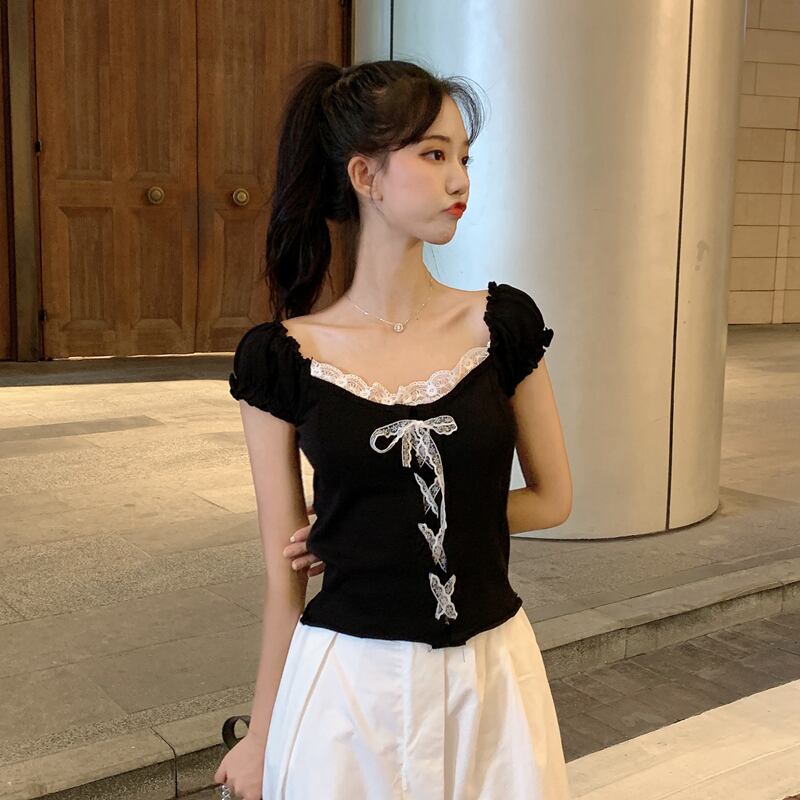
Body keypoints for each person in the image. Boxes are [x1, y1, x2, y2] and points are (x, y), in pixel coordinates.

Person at [216, 58, 573, 800]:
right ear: (365, 176)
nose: (459, 180)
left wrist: (380, 528)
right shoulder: (281, 358)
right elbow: (285, 576)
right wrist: (261, 733)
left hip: (491, 676)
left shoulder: (502, 325)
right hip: (349, 688)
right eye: (434, 155)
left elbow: (552, 499)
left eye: (464, 157)